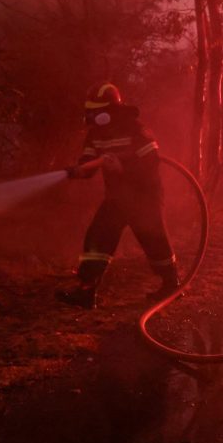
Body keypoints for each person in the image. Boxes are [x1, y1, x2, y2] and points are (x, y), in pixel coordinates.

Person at [55, 83, 179, 309]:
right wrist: (78, 170)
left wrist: (123, 168)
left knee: (154, 239)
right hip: (117, 199)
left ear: (109, 111)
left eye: (96, 111)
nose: (92, 116)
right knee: (97, 238)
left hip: (144, 196)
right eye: (90, 111)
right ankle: (86, 290)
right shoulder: (95, 135)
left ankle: (171, 284)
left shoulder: (136, 129)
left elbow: (152, 163)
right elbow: (89, 165)